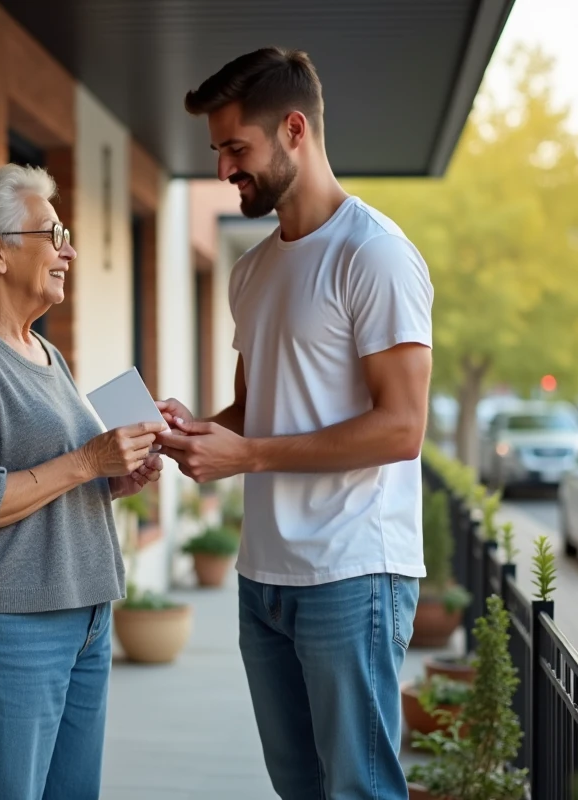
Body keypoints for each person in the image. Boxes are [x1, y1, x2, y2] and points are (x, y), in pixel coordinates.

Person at [157, 48, 434, 799]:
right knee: (299, 789)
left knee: (358, 789)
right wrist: (192, 431)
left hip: (353, 572)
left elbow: (401, 429)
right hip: (265, 575)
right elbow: (256, 410)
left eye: (235, 149)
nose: (224, 170)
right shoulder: (251, 271)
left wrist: (246, 455)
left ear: (293, 129)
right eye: (217, 152)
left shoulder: (374, 254)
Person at [0, 163, 164, 800]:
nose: (68, 251)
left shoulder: (47, 354)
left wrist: (113, 479)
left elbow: (55, 480)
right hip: (8, 623)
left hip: (84, 612)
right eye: (53, 234)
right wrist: (86, 462)